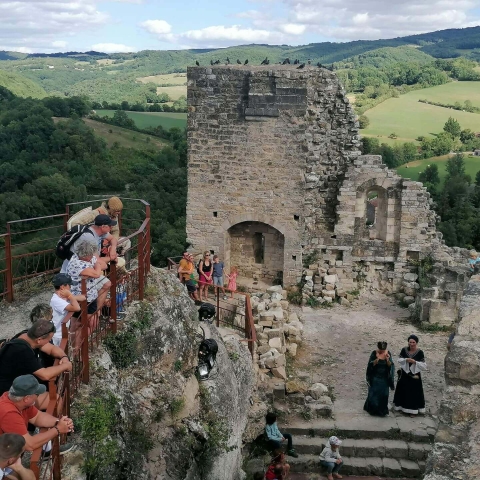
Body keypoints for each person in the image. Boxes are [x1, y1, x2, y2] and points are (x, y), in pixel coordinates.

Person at [0, 321, 72, 410]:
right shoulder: (21, 351)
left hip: (22, 385)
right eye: (49, 339)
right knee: (56, 400)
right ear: (39, 340)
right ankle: (56, 422)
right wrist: (66, 366)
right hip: (10, 393)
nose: (49, 341)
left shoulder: (28, 336)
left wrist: (64, 357)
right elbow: (44, 375)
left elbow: (51, 349)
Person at [0, 375, 73, 454]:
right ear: (26, 398)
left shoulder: (16, 400)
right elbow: (29, 444)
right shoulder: (9, 413)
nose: (38, 396)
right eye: (37, 394)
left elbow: (37, 417)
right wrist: (58, 429)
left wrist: (60, 422)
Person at [67, 239, 111, 332]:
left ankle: (77, 344)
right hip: (82, 297)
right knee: (89, 323)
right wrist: (97, 266)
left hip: (90, 294)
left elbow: (101, 266)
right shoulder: (77, 264)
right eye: (91, 255)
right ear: (85, 256)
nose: (92, 257)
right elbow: (97, 274)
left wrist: (96, 267)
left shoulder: (82, 257)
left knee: (80, 322)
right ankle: (80, 345)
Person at [393, 334, 426, 416]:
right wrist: (406, 359)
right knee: (403, 390)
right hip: (405, 373)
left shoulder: (420, 352)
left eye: (413, 342)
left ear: (416, 343)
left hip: (415, 374)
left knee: (414, 392)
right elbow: (399, 359)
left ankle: (413, 411)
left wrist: (415, 362)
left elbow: (423, 364)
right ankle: (402, 408)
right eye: (410, 342)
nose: (411, 344)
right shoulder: (404, 350)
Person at [50, 274, 85, 347]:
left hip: (61, 333)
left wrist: (71, 297)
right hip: (57, 335)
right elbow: (77, 308)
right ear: (62, 287)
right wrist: (70, 296)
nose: (70, 288)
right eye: (69, 285)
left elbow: (83, 297)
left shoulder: (62, 298)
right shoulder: (56, 300)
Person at [364, 341, 395, 417]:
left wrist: (387, 360)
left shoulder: (388, 353)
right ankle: (373, 410)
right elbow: (371, 365)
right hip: (375, 377)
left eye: (383, 350)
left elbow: (390, 365)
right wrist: (377, 359)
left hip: (384, 377)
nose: (382, 351)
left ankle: (382, 411)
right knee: (374, 393)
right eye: (381, 349)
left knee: (384, 394)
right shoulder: (374, 353)